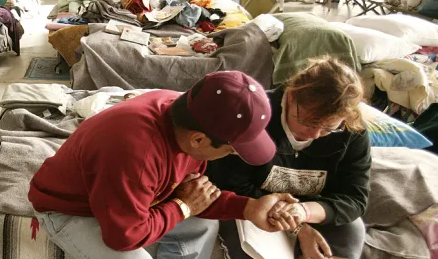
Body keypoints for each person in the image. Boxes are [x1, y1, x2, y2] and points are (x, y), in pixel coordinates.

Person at [30, 70, 301, 259]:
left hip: (126, 199)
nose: (231, 155)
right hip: (70, 211)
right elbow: (123, 237)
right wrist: (182, 207)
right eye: (231, 151)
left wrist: (250, 207)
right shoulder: (136, 153)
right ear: (198, 139)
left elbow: (194, 194)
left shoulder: (188, 112)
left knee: (204, 226)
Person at [208, 58, 370, 259]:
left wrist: (303, 212)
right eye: (308, 122)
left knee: (352, 230)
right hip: (256, 205)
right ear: (291, 96)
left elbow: (354, 198)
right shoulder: (255, 115)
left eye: (329, 127)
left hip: (313, 209)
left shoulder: (352, 132)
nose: (315, 134)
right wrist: (297, 227)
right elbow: (230, 184)